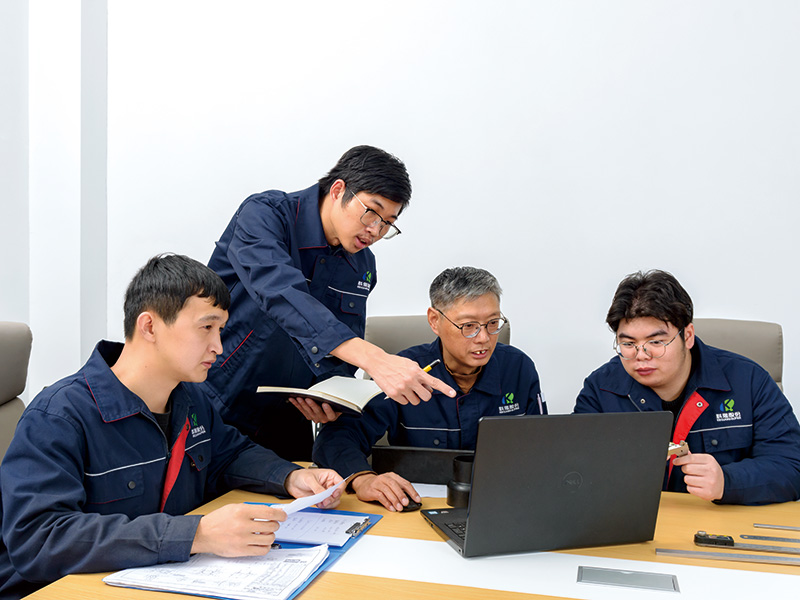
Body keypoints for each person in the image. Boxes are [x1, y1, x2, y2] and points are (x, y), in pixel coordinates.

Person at [0, 254, 343, 599]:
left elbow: (229, 454)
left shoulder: (190, 399)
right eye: (206, 328)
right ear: (149, 326)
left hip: (153, 581)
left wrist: (290, 477)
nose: (218, 347)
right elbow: (38, 538)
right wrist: (197, 534)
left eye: (221, 330)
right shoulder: (59, 416)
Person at [203, 145, 454, 460]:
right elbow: (281, 293)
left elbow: (343, 340)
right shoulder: (265, 215)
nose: (375, 230)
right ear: (338, 190)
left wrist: (334, 396)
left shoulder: (362, 264)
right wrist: (376, 360)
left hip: (290, 418)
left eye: (387, 223)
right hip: (219, 402)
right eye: (371, 212)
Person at [312, 267, 546, 511]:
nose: (483, 338)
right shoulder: (402, 373)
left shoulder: (519, 368)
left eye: (493, 323)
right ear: (435, 321)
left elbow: (542, 445)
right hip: (414, 506)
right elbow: (336, 438)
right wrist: (363, 479)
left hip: (501, 505)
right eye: (468, 326)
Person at [574, 269, 800, 505]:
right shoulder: (601, 389)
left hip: (718, 521)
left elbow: (792, 466)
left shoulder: (749, 380)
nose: (641, 355)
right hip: (634, 519)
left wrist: (727, 481)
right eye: (628, 344)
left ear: (688, 336)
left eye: (656, 342)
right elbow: (573, 470)